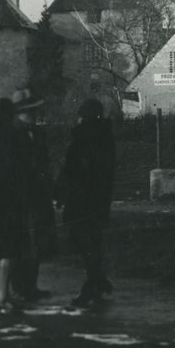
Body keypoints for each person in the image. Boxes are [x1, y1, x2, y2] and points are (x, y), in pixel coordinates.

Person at [60, 98, 116, 307]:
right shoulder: (105, 136)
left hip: (82, 199)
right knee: (93, 242)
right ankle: (98, 281)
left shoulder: (83, 138)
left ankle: (93, 284)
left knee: (86, 243)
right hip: (99, 199)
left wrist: (62, 191)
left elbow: (72, 169)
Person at [10, 88, 56, 302]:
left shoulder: (38, 134)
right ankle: (18, 286)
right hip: (19, 196)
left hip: (38, 196)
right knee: (21, 241)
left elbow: (44, 163)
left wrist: (49, 186)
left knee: (36, 240)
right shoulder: (11, 133)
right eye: (33, 110)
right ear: (23, 112)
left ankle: (31, 285)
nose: (36, 114)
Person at [0, 97, 28, 313]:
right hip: (10, 197)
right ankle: (3, 297)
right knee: (10, 249)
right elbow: (19, 167)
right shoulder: (13, 134)